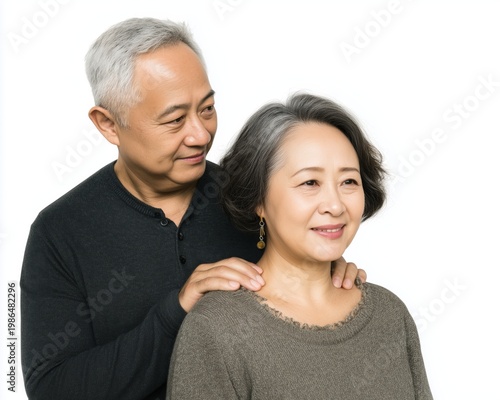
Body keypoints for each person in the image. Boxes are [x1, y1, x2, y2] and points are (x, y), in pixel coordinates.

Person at [20, 18, 363, 400]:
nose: (200, 135)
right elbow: (51, 388)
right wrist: (176, 312)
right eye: (175, 119)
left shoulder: (253, 197)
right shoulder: (60, 231)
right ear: (108, 124)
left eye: (207, 108)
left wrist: (328, 277)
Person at [166, 93, 433, 399]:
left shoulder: (389, 314)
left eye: (348, 181)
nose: (335, 205)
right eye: (310, 183)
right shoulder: (216, 329)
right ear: (258, 200)